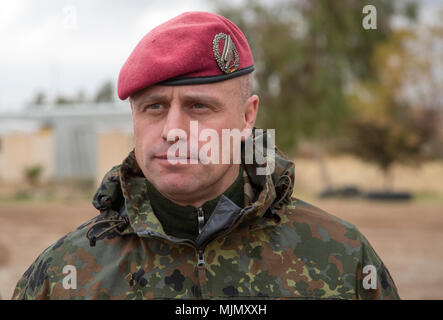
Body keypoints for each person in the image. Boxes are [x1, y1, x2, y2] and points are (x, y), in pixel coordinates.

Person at [12, 11, 399, 300]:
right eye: (154, 107)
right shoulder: (66, 274)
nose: (173, 129)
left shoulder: (342, 257)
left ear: (248, 116)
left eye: (198, 106)